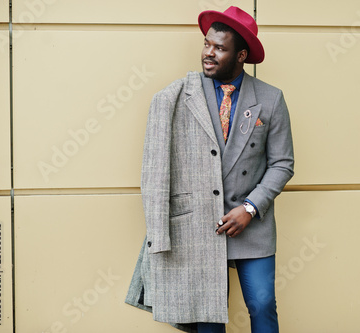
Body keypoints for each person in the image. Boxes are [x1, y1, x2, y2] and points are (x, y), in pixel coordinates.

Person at [125, 6, 294, 333]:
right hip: (197, 228)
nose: (208, 53)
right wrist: (160, 233)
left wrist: (249, 208)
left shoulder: (271, 100)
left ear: (241, 55)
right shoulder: (175, 97)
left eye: (219, 48)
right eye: (207, 44)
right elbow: (156, 170)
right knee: (207, 320)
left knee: (262, 305)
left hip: (252, 227)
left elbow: (282, 164)